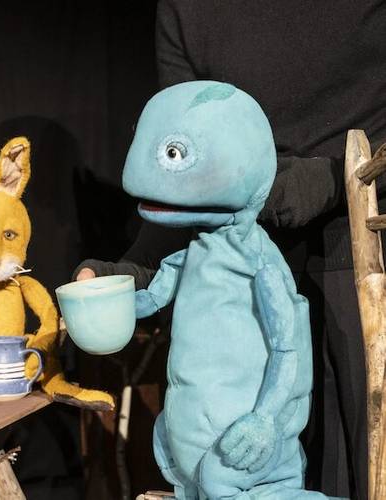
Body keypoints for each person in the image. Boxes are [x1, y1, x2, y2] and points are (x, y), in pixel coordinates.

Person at [75, 1, 386, 498]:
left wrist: (335, 176)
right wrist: (131, 274)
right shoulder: (186, 9)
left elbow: (287, 350)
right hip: (224, 270)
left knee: (355, 466)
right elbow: (183, 159)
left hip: (360, 254)